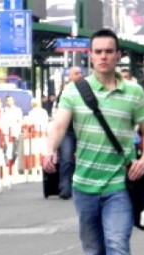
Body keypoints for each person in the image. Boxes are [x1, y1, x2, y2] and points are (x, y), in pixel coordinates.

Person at [43, 28, 144, 255]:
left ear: (119, 55)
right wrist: (49, 150)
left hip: (119, 184)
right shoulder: (74, 91)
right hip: (84, 186)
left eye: (109, 51)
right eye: (98, 51)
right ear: (90, 55)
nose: (104, 56)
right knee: (94, 253)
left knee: (117, 243)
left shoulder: (133, 93)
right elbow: (59, 125)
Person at [56, 66, 83, 199]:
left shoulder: (87, 89)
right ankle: (65, 187)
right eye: (76, 73)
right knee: (66, 158)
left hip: (83, 129)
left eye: (80, 73)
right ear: (70, 76)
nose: (79, 75)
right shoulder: (65, 92)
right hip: (67, 131)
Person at [0, 94, 23, 165]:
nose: (8, 102)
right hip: (6, 132)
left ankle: (12, 160)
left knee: (15, 149)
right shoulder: (3, 110)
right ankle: (7, 161)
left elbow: (20, 120)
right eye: (7, 100)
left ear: (13, 101)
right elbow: (1, 121)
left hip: (15, 131)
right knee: (6, 146)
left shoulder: (17, 110)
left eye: (10, 100)